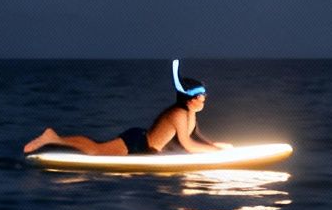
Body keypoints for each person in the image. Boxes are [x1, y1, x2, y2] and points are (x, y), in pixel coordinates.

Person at [23, 62, 235, 156]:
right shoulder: (179, 114)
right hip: (137, 143)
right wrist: (216, 152)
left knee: (98, 149)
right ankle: (53, 138)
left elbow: (196, 136)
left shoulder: (190, 114)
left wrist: (213, 145)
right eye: (201, 96)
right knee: (97, 150)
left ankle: (56, 140)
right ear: (190, 99)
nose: (205, 99)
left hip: (145, 147)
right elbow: (187, 144)